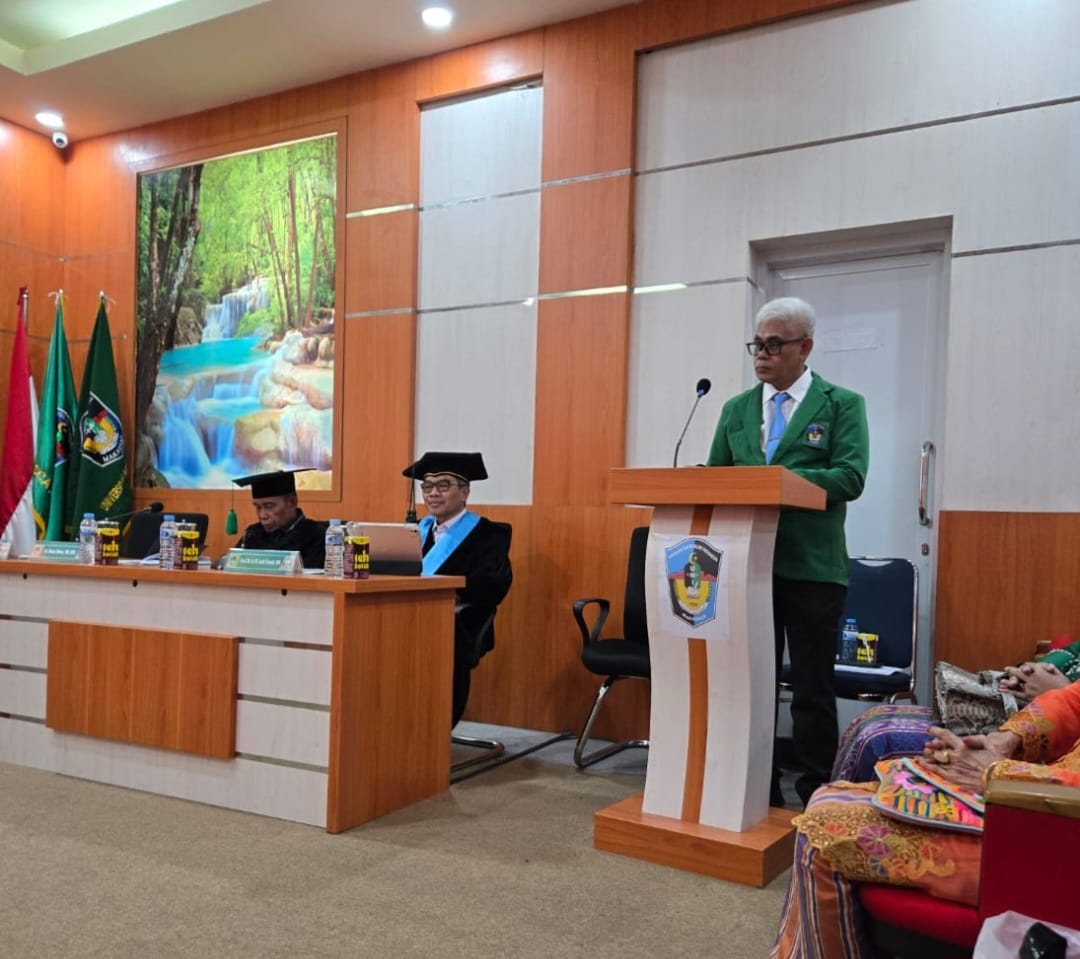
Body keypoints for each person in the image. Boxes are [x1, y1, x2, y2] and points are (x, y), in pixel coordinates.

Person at [772, 680, 1080, 959]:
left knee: (824, 831)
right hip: (1041, 794)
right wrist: (1005, 739)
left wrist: (997, 773)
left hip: (1054, 826)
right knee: (837, 791)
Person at [707, 296, 869, 806]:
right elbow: (715, 480)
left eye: (774, 344)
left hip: (813, 569)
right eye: (757, 343)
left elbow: (850, 476)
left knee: (811, 688)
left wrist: (779, 480)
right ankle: (756, 787)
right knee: (750, 683)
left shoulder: (842, 403)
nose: (762, 354)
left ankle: (817, 790)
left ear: (805, 347)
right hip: (747, 565)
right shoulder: (735, 409)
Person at [832, 638, 1080, 782]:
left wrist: (999, 775)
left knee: (880, 738)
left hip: (1053, 793)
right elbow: (1070, 657)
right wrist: (1029, 673)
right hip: (1038, 730)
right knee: (874, 722)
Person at [402, 451, 513, 727]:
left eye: (443, 485)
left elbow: (495, 585)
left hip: (461, 622)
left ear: (465, 492)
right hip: (410, 617)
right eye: (427, 486)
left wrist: (449, 592)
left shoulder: (488, 534)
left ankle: (437, 731)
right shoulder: (415, 531)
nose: (433, 493)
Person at [232, 468, 327, 568]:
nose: (262, 515)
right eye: (258, 507)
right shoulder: (252, 534)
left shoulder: (317, 536)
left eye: (269, 506)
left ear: (292, 502)